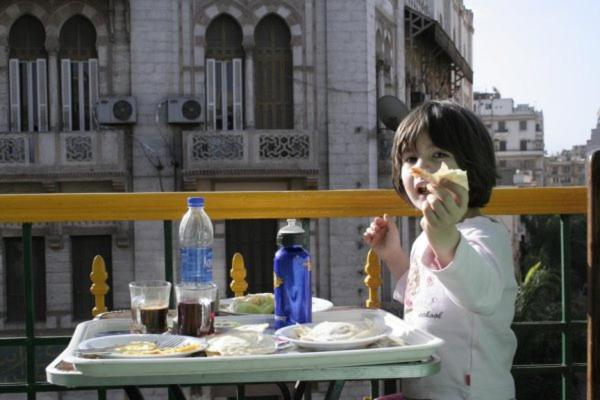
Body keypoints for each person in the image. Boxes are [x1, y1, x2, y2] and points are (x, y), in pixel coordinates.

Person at [364, 100, 517, 400]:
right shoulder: (427, 237)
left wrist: (445, 237)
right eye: (410, 158)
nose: (421, 168)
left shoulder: (486, 234)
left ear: (470, 166)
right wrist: (394, 255)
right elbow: (426, 294)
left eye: (438, 154)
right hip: (425, 388)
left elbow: (482, 296)